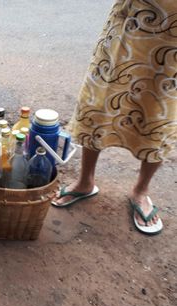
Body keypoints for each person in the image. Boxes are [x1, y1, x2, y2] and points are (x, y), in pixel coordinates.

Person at [52, 0, 177, 235]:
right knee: (100, 104)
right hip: (129, 26)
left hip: (172, 43)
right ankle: (85, 181)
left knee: (159, 115)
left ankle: (140, 190)